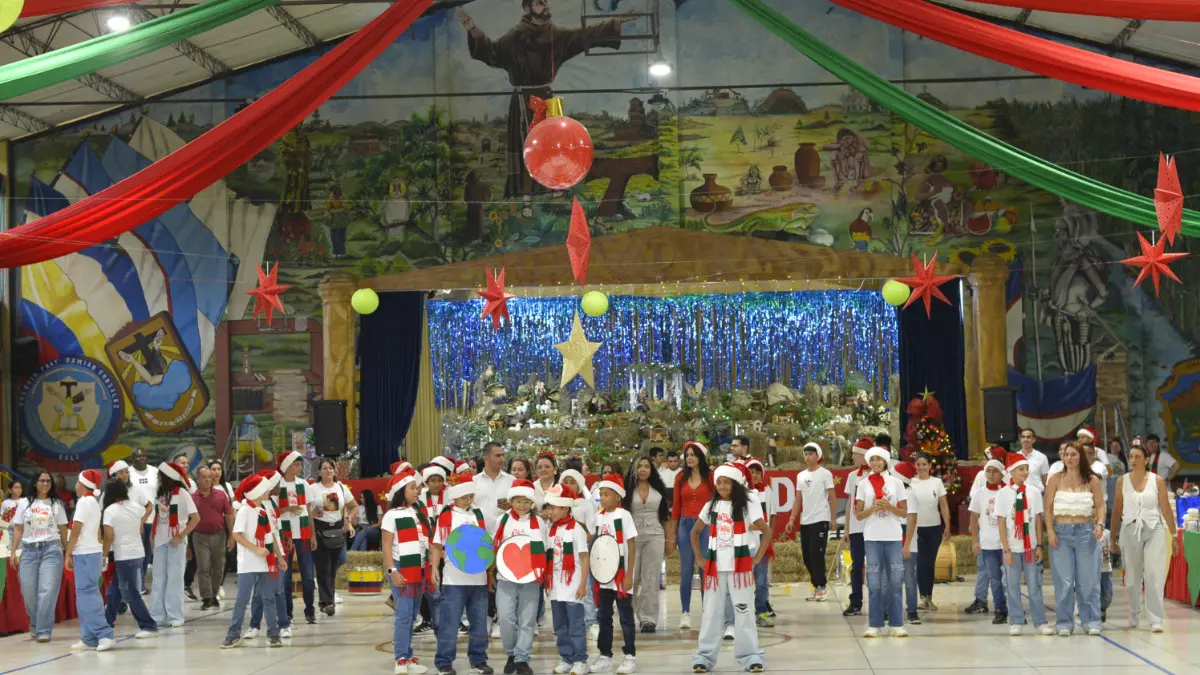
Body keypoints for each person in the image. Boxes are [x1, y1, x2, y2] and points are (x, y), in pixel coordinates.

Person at [691, 463, 769, 673]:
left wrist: (758, 557)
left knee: (744, 612)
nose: (722, 486)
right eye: (719, 482)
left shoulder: (748, 504)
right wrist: (699, 557)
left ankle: (751, 656)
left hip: (740, 570)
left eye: (727, 482)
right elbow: (694, 532)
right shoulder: (710, 507)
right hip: (715, 570)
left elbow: (766, 530)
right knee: (711, 614)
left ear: (735, 484)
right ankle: (704, 657)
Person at [1111, 442, 1176, 632]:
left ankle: (1155, 618)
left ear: (1146, 460)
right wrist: (1113, 535)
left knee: (1154, 574)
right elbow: (1116, 510)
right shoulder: (1122, 481)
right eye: (1131, 456)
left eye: (1138, 457)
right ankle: (1133, 611)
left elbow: (1165, 508)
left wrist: (1173, 533)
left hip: (1153, 529)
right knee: (1132, 577)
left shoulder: (1157, 481)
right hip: (1129, 530)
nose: (1133, 460)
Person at [433, 471, 493, 675]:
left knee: (479, 624)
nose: (468, 500)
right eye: (464, 497)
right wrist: (434, 569)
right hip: (453, 579)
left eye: (471, 496)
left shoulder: (478, 514)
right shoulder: (447, 516)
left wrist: (490, 573)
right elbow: (436, 545)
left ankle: (478, 659)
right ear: (454, 496)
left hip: (478, 578)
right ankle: (443, 662)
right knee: (449, 624)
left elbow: (485, 544)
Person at [1044, 441, 1106, 636]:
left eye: (1073, 455)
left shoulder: (1092, 480)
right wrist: (1050, 531)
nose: (1069, 458)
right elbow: (1047, 508)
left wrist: (1100, 524)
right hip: (1061, 533)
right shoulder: (1055, 479)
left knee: (1088, 580)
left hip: (1085, 532)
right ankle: (1064, 621)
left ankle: (1091, 620)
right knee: (1064, 580)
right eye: (1066, 455)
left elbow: (1101, 506)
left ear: (1081, 457)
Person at [222, 474, 287, 649]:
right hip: (248, 564)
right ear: (256, 492)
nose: (268, 491)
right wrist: (256, 549)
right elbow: (236, 535)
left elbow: (271, 536)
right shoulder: (244, 511)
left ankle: (273, 634)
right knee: (242, 600)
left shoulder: (263, 511)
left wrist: (279, 557)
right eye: (264, 489)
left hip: (266, 563)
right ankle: (233, 634)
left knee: (269, 599)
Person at [995, 453, 1052, 635]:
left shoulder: (1033, 492)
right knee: (1012, 585)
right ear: (1011, 471)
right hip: (1012, 547)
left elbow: (1037, 519)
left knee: (1034, 585)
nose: (1025, 472)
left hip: (1030, 547)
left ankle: (1040, 621)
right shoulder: (1003, 494)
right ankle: (1016, 620)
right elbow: (1002, 523)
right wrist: (1006, 549)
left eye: (1027, 469)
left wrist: (1039, 546)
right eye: (1021, 469)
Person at [382, 468, 432, 675]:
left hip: (419, 568)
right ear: (400, 491)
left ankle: (408, 655)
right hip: (401, 568)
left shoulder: (418, 512)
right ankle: (401, 659)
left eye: (417, 487)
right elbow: (386, 546)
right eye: (412, 488)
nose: (417, 491)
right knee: (403, 614)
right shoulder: (391, 515)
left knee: (412, 614)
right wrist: (392, 570)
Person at [854, 447, 908, 638]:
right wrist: (872, 508)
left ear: (886, 461)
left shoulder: (896, 483)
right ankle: (874, 624)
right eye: (872, 460)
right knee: (874, 582)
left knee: (895, 581)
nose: (876, 463)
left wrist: (889, 506)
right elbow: (858, 515)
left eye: (879, 460)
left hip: (893, 537)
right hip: (872, 537)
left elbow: (904, 512)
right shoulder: (863, 484)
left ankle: (896, 623)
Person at [493, 479, 544, 675]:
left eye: (526, 501)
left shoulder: (538, 523)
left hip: (531, 579)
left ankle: (522, 658)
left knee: (527, 619)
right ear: (511, 500)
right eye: (517, 501)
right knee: (506, 618)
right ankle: (511, 654)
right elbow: (495, 548)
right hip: (506, 578)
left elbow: (543, 550)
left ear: (532, 502)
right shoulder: (502, 520)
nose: (521, 505)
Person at [13, 470, 69, 642]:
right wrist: (13, 551)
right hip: (29, 550)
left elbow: (63, 530)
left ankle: (44, 630)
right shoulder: (24, 503)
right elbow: (18, 529)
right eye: (42, 480)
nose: (45, 483)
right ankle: (35, 624)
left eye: (48, 481)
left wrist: (68, 553)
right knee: (28, 591)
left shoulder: (56, 503)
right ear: (35, 483)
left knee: (47, 591)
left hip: (51, 550)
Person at [592, 475, 638, 675]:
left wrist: (629, 574)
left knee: (626, 617)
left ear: (618, 496)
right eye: (601, 494)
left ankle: (629, 656)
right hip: (604, 576)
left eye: (607, 494)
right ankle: (605, 655)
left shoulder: (623, 515)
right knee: (604, 616)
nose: (603, 498)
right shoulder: (599, 516)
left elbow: (631, 544)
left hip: (621, 576)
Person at [64, 470, 114, 651]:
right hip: (88, 552)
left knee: (87, 595)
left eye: (77, 482)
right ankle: (89, 636)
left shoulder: (84, 502)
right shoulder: (91, 501)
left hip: (85, 552)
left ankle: (104, 634)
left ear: (82, 484)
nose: (75, 486)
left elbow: (76, 529)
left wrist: (68, 553)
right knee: (85, 595)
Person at [101, 479, 157, 639]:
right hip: (138, 553)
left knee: (131, 593)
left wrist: (104, 556)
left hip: (123, 555)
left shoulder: (110, 511)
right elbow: (141, 526)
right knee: (114, 591)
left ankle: (149, 625)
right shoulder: (137, 508)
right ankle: (107, 622)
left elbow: (108, 537)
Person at [545, 484, 591, 675]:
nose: (550, 511)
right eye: (549, 507)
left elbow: (584, 557)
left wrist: (582, 584)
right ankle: (566, 657)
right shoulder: (551, 528)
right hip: (556, 586)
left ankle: (581, 660)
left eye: (553, 507)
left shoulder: (576, 529)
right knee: (560, 625)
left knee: (575, 625)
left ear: (565, 508)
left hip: (572, 586)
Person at [667, 441, 713, 630]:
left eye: (693, 454)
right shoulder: (679, 478)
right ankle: (685, 612)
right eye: (687, 455)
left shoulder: (711, 477)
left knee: (706, 570)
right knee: (686, 571)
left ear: (701, 457)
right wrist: (672, 533)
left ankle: (707, 611)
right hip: (685, 525)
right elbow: (676, 508)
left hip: (705, 525)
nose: (690, 458)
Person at [150, 461, 198, 628]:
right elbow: (158, 516)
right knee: (158, 579)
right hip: (159, 540)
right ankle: (157, 615)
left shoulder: (183, 494)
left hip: (176, 542)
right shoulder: (159, 494)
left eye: (160, 476)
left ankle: (175, 615)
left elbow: (195, 518)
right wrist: (152, 534)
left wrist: (182, 535)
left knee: (175, 579)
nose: (158, 479)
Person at [785, 442, 835, 602]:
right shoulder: (801, 476)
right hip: (805, 520)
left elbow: (832, 497)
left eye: (811, 454)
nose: (808, 456)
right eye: (805, 454)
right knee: (807, 556)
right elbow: (798, 498)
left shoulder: (825, 474)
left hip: (820, 519)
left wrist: (833, 518)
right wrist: (792, 519)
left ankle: (822, 586)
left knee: (816, 554)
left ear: (818, 456)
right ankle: (816, 585)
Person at [623, 456, 669, 634]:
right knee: (632, 578)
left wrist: (669, 540)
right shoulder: (626, 490)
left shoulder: (658, 489)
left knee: (650, 578)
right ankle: (628, 615)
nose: (643, 469)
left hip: (655, 535)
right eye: (639, 466)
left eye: (646, 466)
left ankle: (648, 619)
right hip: (632, 538)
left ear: (651, 470)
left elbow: (665, 516)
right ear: (634, 469)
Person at [247, 470, 292, 640]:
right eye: (278, 484)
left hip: (277, 551)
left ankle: (284, 624)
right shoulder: (256, 505)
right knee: (259, 591)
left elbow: (276, 530)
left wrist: (282, 547)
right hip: (263, 553)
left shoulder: (272, 503)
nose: (280, 487)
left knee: (279, 590)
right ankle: (254, 625)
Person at [310, 458, 357, 616]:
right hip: (319, 530)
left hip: (337, 530)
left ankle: (327, 598)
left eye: (331, 468)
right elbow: (305, 510)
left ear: (335, 471)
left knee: (335, 565)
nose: (328, 470)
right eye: (325, 468)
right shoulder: (313, 488)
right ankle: (327, 602)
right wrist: (311, 514)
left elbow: (353, 506)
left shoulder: (341, 488)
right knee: (324, 567)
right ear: (319, 471)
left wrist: (348, 521)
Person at [276, 450, 317, 623]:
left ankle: (310, 611)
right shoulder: (277, 486)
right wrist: (287, 509)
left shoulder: (304, 484)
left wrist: (313, 534)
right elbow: (273, 510)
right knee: (285, 578)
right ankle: (288, 614)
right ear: (288, 466)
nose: (300, 467)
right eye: (297, 464)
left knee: (308, 575)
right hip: (285, 534)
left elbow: (308, 511)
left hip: (304, 534)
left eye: (300, 464)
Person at [967, 456, 1008, 623]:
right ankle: (1000, 608)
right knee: (994, 577)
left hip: (1007, 544)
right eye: (988, 471)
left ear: (1002, 473)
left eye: (995, 471)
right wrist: (974, 541)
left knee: (1009, 578)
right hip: (988, 543)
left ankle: (1014, 608)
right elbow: (974, 518)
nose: (991, 474)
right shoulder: (980, 494)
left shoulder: (1008, 492)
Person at [908, 453, 951, 610]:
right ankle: (922, 596)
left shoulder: (937, 482)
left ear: (929, 466)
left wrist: (947, 525)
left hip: (933, 527)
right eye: (918, 464)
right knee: (920, 562)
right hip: (916, 528)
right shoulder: (911, 483)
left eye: (924, 464)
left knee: (930, 563)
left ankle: (929, 597)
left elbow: (944, 505)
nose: (921, 467)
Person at [191, 466, 233, 609]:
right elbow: (188, 519)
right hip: (199, 536)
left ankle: (214, 595)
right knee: (203, 567)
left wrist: (231, 536)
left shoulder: (221, 495)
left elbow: (228, 515)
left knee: (218, 567)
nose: (208, 479)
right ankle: (206, 597)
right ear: (198, 479)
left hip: (219, 535)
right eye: (204, 477)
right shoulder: (192, 498)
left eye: (209, 476)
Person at [841, 438, 873, 617]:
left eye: (856, 454)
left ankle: (878, 602)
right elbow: (849, 503)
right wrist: (847, 528)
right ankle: (855, 602)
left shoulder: (878, 475)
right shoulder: (853, 476)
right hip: (856, 528)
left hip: (874, 527)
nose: (853, 457)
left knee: (875, 566)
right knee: (856, 565)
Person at [416, 463, 449, 633]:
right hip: (428, 545)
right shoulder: (420, 496)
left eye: (439, 481)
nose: (436, 484)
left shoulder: (449, 497)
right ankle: (427, 618)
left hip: (446, 545)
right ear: (427, 482)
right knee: (428, 586)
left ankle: (448, 619)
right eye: (433, 481)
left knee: (445, 584)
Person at [744, 458, 776, 626]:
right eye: (751, 472)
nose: (754, 475)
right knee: (745, 580)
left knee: (762, 580)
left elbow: (772, 515)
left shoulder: (767, 491)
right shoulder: (742, 493)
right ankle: (745, 613)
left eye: (757, 472)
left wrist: (769, 536)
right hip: (746, 541)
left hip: (762, 541)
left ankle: (761, 612)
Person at [889, 462, 921, 625]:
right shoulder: (892, 493)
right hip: (892, 541)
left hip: (907, 543)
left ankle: (912, 611)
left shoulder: (910, 495)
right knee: (890, 578)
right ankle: (889, 610)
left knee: (908, 578)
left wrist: (907, 544)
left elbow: (912, 520)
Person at [129, 448, 159, 584]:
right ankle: (137, 581)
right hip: (135, 519)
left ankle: (141, 580)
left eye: (144, 456)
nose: (141, 459)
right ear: (132, 458)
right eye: (138, 456)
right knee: (137, 552)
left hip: (153, 518)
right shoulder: (128, 472)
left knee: (148, 551)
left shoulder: (155, 471)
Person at [1, 480, 23, 554]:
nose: (19, 489)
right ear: (10, 490)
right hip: (9, 532)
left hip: (22, 532)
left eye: (20, 487)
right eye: (16, 487)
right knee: (10, 553)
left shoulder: (25, 501)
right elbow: (2, 519)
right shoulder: (5, 503)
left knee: (21, 553)